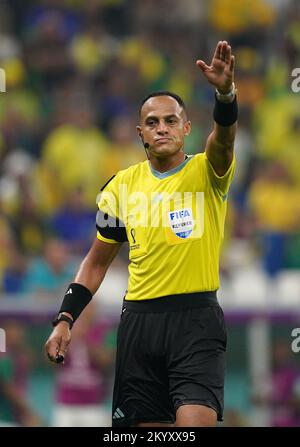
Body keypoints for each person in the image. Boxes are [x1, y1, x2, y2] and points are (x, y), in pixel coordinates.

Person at [45, 40, 238, 427]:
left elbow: (225, 138)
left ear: (186, 127)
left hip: (196, 321)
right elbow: (96, 262)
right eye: (152, 122)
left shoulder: (207, 172)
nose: (162, 128)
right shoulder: (120, 187)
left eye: (170, 120)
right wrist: (66, 317)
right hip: (139, 323)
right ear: (140, 133)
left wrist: (225, 93)